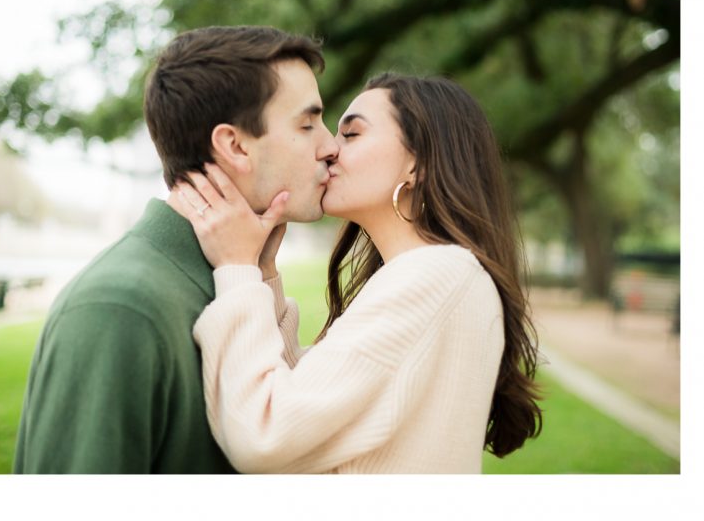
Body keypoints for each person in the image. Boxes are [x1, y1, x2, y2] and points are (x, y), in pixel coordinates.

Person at [176, 72, 542, 474]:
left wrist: (236, 270)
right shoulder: (440, 275)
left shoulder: (433, 276)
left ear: (417, 160)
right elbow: (318, 401)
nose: (330, 148)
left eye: (351, 135)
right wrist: (262, 273)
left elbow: (265, 434)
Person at [13, 25, 337, 473]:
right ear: (234, 145)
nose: (331, 145)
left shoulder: (239, 281)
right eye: (307, 124)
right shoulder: (119, 308)